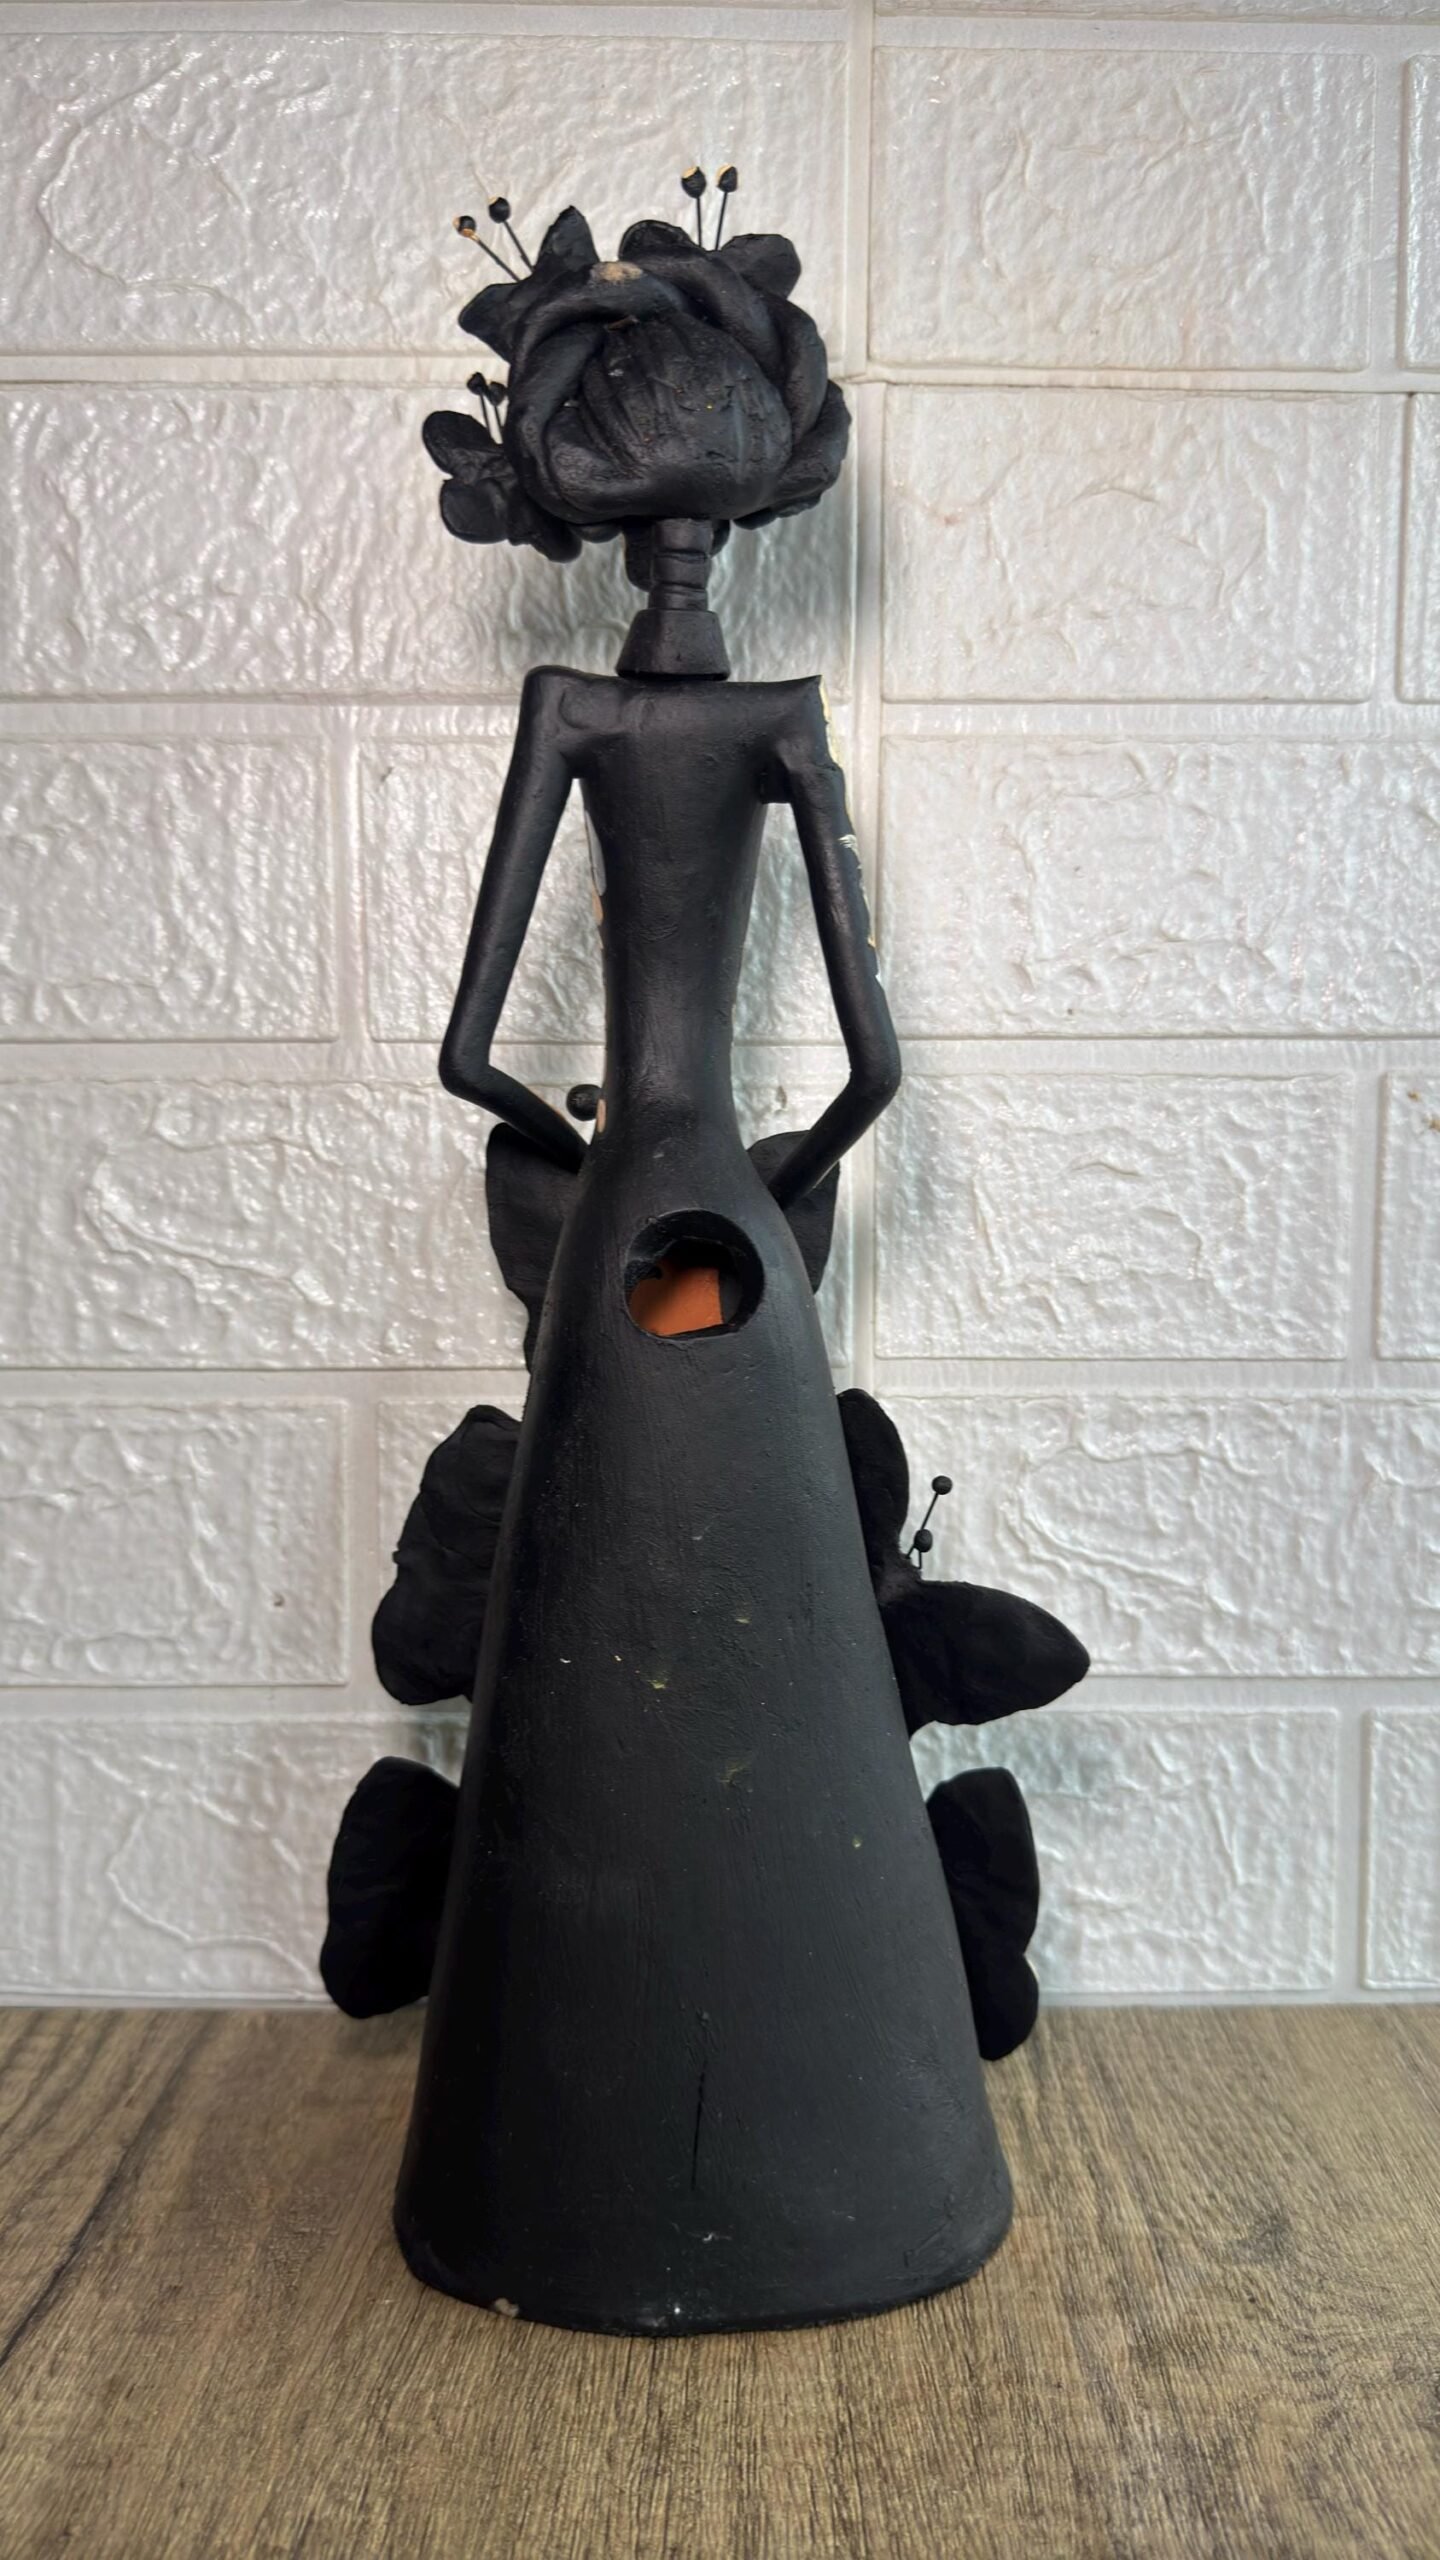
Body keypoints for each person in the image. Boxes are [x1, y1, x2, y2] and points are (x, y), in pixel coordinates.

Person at [321, 192, 1087, 2335]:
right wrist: (784, 1179)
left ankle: (587, 2170)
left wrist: (578, 1166)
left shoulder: (573, 703)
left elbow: (470, 1044)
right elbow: (874, 1058)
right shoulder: (776, 715)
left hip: (630, 1204)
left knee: (604, 1634)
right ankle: (830, 2157)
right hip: (734, 1200)